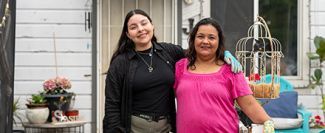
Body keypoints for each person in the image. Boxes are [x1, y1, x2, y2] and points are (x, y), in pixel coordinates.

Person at [103, 9, 242, 133]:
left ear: (152, 26)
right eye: (133, 27)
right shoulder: (120, 63)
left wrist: (224, 54)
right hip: (135, 128)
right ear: (128, 34)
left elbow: (200, 53)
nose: (140, 29)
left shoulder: (168, 52)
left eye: (144, 23)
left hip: (165, 127)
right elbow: (112, 104)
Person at [173, 17, 274, 133]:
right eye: (200, 36)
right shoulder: (179, 67)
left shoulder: (231, 69)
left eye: (211, 37)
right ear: (193, 39)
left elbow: (249, 104)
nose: (205, 41)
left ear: (219, 41)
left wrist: (267, 122)